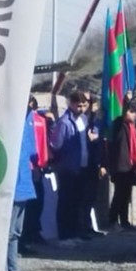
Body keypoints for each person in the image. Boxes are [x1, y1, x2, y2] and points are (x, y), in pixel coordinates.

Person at [0, 97, 39, 271]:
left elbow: (31, 151)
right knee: (7, 231)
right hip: (12, 182)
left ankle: (13, 270)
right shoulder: (11, 118)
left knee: (15, 231)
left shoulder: (27, 119)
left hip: (23, 181)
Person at [50, 90, 90, 246]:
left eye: (84, 106)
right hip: (68, 168)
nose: (81, 109)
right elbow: (56, 145)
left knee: (76, 202)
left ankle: (74, 232)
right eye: (78, 106)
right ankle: (64, 235)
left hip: (82, 166)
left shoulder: (84, 120)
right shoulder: (64, 122)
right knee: (65, 202)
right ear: (71, 104)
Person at [20, 96, 54, 254]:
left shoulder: (38, 119)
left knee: (38, 200)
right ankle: (24, 237)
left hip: (37, 165)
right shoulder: (25, 120)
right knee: (27, 205)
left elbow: (43, 140)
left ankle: (33, 231)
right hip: (27, 165)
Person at [107, 98, 136, 230]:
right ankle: (112, 220)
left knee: (126, 195)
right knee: (119, 194)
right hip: (120, 165)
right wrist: (126, 101)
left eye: (135, 112)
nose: (134, 115)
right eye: (131, 112)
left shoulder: (131, 127)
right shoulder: (119, 124)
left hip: (130, 165)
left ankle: (124, 221)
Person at [78, 93, 108, 239]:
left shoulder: (97, 121)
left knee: (91, 197)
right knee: (83, 198)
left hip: (94, 163)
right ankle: (82, 227)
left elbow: (101, 143)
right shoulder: (82, 121)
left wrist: (103, 164)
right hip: (83, 165)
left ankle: (88, 226)